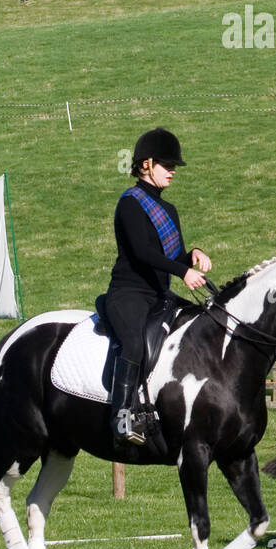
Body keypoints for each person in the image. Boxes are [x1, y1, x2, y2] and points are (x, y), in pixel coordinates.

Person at [101, 127, 211, 448]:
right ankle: (121, 416)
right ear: (146, 164)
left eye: (174, 165)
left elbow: (171, 255)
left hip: (158, 296)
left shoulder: (169, 210)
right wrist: (183, 273)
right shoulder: (130, 205)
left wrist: (192, 255)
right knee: (134, 344)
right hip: (128, 295)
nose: (173, 170)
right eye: (167, 164)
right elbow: (143, 253)